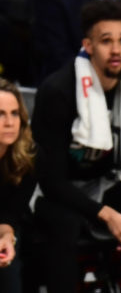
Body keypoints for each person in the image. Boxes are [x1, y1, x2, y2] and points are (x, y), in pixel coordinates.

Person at [31, 0, 121, 293]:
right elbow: (51, 181)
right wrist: (108, 215)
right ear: (88, 46)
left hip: (114, 185)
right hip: (63, 192)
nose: (116, 50)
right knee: (65, 225)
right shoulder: (58, 91)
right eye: (106, 41)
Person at [0, 79, 37, 293]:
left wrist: (6, 237)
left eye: (14, 113)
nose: (9, 122)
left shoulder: (29, 156)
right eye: (1, 114)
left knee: (8, 265)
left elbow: (10, 214)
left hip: (6, 227)